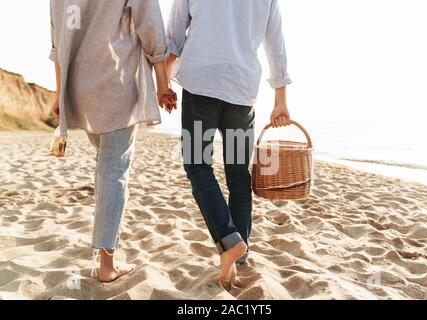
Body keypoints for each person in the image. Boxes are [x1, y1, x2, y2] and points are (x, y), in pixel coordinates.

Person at [166, 0, 292, 288]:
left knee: (198, 166)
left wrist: (164, 82)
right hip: (241, 91)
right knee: (237, 173)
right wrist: (280, 99)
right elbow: (276, 43)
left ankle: (229, 240)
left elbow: (173, 37)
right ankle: (239, 253)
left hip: (201, 87)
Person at [49, 0, 176, 283]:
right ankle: (107, 263)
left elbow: (58, 42)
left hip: (79, 88)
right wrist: (163, 83)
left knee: (106, 167)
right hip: (115, 84)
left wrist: (60, 94)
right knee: (113, 171)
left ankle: (104, 254)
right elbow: (150, 26)